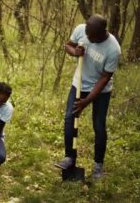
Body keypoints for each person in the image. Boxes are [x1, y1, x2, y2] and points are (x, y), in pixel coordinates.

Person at [55, 14, 121, 179]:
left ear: (102, 32)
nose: (88, 38)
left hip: (100, 90)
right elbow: (68, 46)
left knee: (99, 126)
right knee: (70, 119)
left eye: (92, 36)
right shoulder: (81, 30)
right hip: (79, 83)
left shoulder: (113, 49)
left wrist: (87, 101)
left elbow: (105, 78)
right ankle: (70, 157)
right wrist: (75, 51)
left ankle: (98, 165)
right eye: (87, 34)